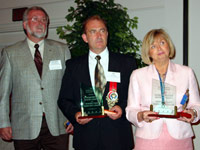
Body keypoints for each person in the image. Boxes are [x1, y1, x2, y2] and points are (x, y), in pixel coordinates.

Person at [58, 15, 137, 150]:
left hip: (117, 138)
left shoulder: (127, 63)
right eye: (93, 31)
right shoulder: (73, 66)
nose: (99, 35)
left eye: (102, 30)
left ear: (107, 34)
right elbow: (64, 99)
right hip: (86, 138)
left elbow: (135, 96)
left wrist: (122, 108)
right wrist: (76, 114)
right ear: (85, 37)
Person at [0, 6, 73, 150]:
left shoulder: (62, 49)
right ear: (25, 24)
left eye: (44, 20)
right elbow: (3, 93)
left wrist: (71, 115)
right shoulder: (10, 53)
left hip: (57, 123)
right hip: (24, 125)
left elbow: (70, 88)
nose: (41, 23)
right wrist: (3, 123)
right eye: (35, 19)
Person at [126, 28, 200, 150]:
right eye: (153, 46)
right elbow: (130, 110)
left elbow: (197, 104)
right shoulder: (137, 75)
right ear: (148, 52)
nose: (159, 48)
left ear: (169, 46)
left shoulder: (186, 72)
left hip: (180, 138)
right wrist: (141, 116)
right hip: (147, 138)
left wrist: (194, 113)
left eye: (162, 43)